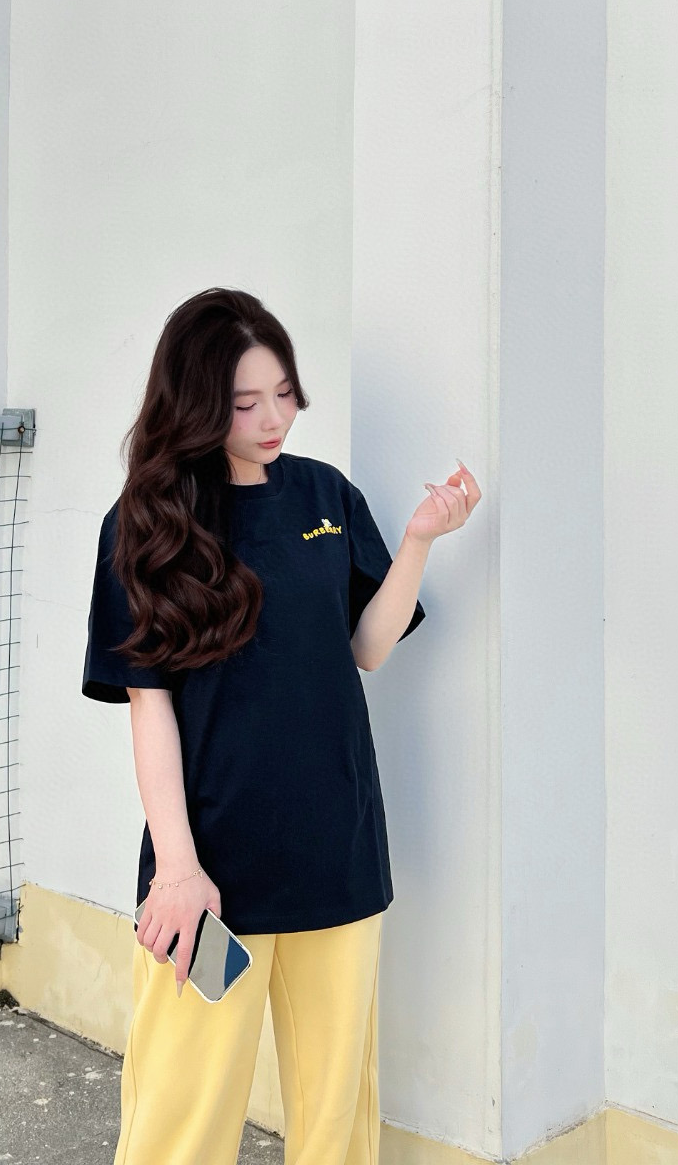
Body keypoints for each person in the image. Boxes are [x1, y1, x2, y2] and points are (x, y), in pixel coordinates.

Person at [81, 287, 479, 1165]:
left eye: (285, 393)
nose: (273, 419)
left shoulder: (325, 494)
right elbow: (149, 707)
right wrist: (177, 870)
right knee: (179, 1125)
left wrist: (418, 541)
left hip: (336, 857)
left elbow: (366, 649)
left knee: (338, 1122)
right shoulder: (146, 525)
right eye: (244, 402)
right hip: (209, 879)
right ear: (194, 402)